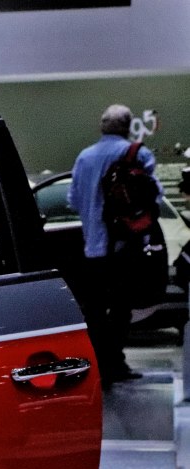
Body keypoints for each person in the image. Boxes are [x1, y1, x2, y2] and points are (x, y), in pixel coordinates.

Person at [67, 104, 160, 385]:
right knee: (121, 308)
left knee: (94, 310)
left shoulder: (84, 157)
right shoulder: (138, 154)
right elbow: (154, 196)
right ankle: (116, 363)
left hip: (93, 249)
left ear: (102, 126)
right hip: (125, 245)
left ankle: (98, 364)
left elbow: (73, 201)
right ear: (129, 126)